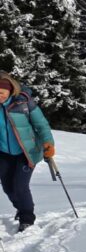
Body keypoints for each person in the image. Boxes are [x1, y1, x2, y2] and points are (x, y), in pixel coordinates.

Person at [0, 72, 55, 232]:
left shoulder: (23, 103)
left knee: (19, 186)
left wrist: (48, 144)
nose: (0, 96)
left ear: (10, 91)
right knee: (7, 187)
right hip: (4, 153)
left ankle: (27, 217)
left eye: (2, 93)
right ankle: (21, 207)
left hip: (27, 152)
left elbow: (42, 125)